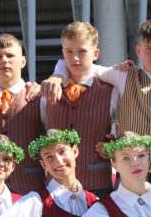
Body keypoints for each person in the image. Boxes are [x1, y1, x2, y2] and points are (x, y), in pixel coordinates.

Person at [46, 19, 151, 194]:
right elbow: (85, 65)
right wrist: (57, 74)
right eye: (148, 49)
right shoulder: (123, 76)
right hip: (130, 178)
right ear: (138, 51)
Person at [22, 21, 116, 195]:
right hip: (56, 186)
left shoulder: (110, 91)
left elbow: (122, 131)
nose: (75, 58)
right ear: (62, 53)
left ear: (95, 54)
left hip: (97, 185)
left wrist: (113, 146)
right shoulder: (45, 92)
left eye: (82, 51)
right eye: (69, 52)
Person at [0, 34, 44, 193]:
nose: (4, 60)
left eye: (10, 55)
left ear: (23, 61)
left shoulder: (40, 99)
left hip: (31, 191)